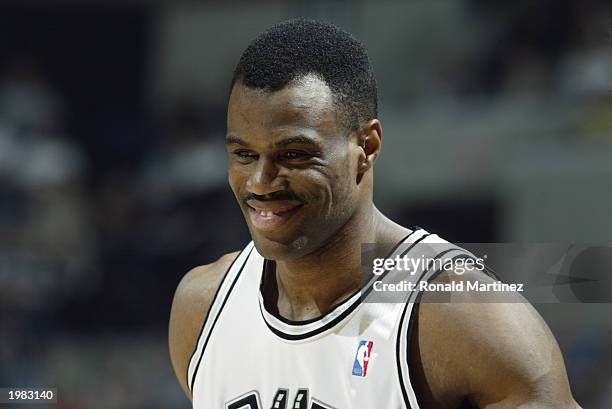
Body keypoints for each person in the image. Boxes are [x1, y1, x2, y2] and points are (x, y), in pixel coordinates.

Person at [169, 19, 581, 409]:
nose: (260, 181)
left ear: (366, 146)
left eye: (293, 154)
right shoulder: (202, 308)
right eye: (243, 154)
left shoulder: (463, 317)